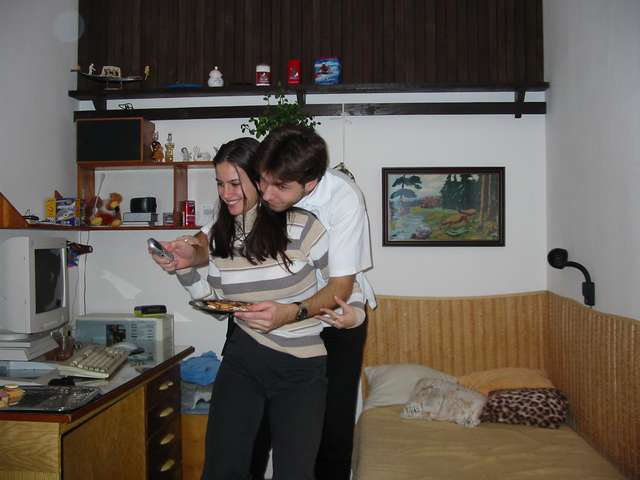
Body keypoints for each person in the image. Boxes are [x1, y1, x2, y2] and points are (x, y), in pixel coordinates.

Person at [155, 125, 375, 480]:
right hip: (251, 350)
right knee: (234, 456)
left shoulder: (335, 203)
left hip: (325, 323)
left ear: (308, 185)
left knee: (329, 436)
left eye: (279, 187)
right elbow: (209, 246)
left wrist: (325, 314)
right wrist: (185, 259)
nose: (267, 193)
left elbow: (344, 284)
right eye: (263, 181)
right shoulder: (237, 219)